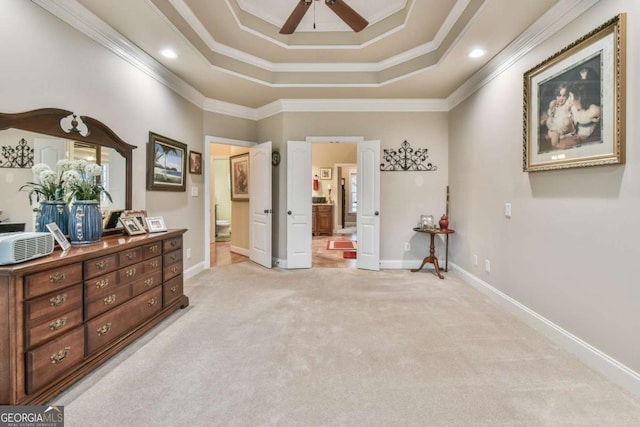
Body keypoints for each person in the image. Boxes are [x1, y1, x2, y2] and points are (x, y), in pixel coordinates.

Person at [545, 82, 575, 148]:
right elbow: (550, 119)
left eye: (564, 96)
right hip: (554, 130)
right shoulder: (555, 106)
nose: (561, 98)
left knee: (566, 121)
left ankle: (557, 144)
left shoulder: (567, 104)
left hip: (565, 130)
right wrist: (552, 107)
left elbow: (572, 96)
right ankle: (555, 144)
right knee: (554, 133)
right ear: (555, 96)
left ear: (567, 96)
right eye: (559, 96)